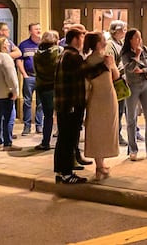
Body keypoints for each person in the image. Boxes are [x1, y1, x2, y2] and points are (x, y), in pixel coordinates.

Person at [81, 32, 120, 180]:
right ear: (98, 44)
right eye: (103, 40)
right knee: (107, 130)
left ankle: (100, 165)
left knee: (95, 131)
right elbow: (116, 76)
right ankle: (100, 167)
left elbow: (86, 86)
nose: (106, 42)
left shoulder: (86, 62)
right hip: (108, 98)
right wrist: (111, 65)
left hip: (94, 99)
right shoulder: (107, 59)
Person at [54, 25, 88, 184]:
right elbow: (82, 77)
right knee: (69, 139)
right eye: (82, 37)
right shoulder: (73, 56)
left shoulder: (63, 54)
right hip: (71, 105)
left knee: (63, 138)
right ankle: (67, 173)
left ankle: (61, 171)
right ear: (75, 39)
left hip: (64, 104)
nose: (83, 41)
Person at [121, 28, 147, 160]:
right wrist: (136, 56)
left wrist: (143, 71)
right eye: (136, 38)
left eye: (140, 37)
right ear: (130, 39)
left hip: (145, 84)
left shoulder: (145, 49)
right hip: (132, 86)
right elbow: (129, 69)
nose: (139, 40)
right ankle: (133, 149)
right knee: (131, 118)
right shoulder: (125, 53)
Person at [0, 22, 21, 140]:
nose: (8, 31)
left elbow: (19, 52)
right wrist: (15, 91)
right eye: (6, 29)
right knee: (8, 115)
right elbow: (11, 76)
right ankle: (6, 140)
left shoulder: (2, 55)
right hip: (5, 89)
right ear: (0, 32)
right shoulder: (4, 56)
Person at [33, 30, 61, 150]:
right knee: (61, 115)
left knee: (47, 116)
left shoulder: (37, 54)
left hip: (43, 87)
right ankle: (61, 142)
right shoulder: (59, 51)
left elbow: (35, 71)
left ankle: (45, 142)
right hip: (57, 87)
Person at [18, 23, 44, 136]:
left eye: (39, 28)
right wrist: (24, 74)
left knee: (40, 103)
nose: (38, 30)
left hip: (41, 77)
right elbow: (19, 60)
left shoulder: (44, 44)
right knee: (27, 102)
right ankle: (27, 126)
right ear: (30, 31)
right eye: (36, 29)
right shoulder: (24, 45)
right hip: (29, 77)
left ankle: (39, 126)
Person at [106, 20, 129, 146]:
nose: (124, 32)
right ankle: (115, 135)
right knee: (117, 110)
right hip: (116, 81)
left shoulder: (120, 43)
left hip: (122, 80)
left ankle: (117, 134)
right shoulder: (110, 44)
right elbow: (110, 62)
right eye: (123, 29)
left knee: (122, 110)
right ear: (116, 30)